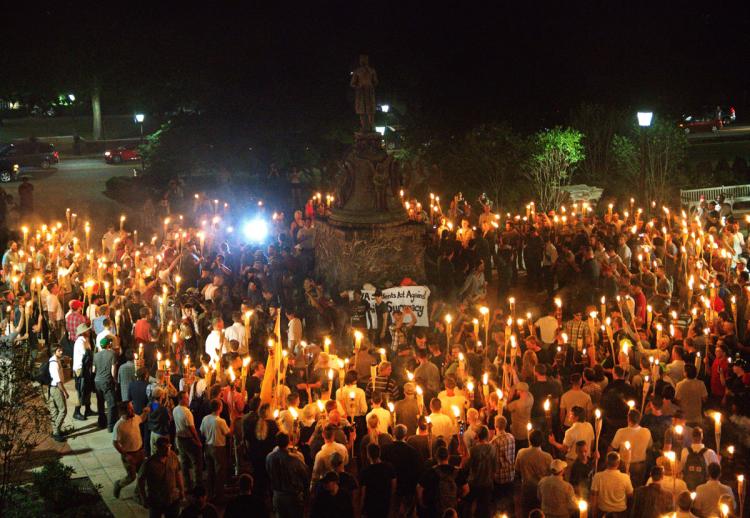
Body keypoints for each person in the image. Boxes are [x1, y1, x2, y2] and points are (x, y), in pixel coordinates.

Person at [137, 436, 185, 518]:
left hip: (173, 498)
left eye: (168, 447)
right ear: (158, 448)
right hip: (156, 500)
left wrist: (181, 490)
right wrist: (144, 498)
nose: (167, 450)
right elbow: (140, 481)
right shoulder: (149, 463)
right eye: (164, 447)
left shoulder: (173, 456)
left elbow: (178, 473)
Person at [266, 431, 310, 518]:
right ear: (289, 441)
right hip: (292, 497)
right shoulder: (294, 459)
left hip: (277, 495)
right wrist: (306, 494)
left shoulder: (269, 457)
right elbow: (305, 475)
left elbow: (268, 472)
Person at [416, 445, 468, 518]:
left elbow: (419, 487)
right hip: (452, 508)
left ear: (436, 457)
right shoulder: (457, 472)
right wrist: (458, 498)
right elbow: (466, 489)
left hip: (435, 508)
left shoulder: (431, 472)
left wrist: (421, 502)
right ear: (448, 456)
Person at [113, 400, 151, 499]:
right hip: (129, 456)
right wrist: (126, 455)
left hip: (140, 453)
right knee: (131, 477)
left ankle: (137, 494)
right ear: (123, 411)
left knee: (143, 475)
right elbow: (115, 443)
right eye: (130, 408)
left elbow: (141, 419)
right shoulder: (119, 426)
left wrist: (146, 411)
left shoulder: (135, 418)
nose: (132, 409)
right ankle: (119, 484)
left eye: (132, 407)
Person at [381, 424, 421, 516]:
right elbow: (416, 471)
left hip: (389, 487)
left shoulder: (385, 450)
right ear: (405, 436)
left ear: (394, 434)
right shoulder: (412, 452)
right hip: (407, 487)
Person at [199, 398, 232, 503]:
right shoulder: (220, 421)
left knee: (210, 472)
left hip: (207, 447)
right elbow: (228, 434)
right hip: (218, 448)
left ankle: (209, 494)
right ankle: (219, 496)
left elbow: (202, 432)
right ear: (220, 408)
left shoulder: (205, 419)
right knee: (219, 473)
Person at [515, 429, 553, 517]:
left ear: (529, 440)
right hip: (541, 491)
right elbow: (551, 474)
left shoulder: (521, 453)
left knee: (526, 512)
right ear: (542, 441)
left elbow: (517, 469)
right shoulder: (547, 457)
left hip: (526, 489)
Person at [610, 409, 652, 487]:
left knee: (622, 486)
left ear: (628, 419)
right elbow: (649, 446)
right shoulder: (647, 432)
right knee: (637, 487)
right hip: (640, 465)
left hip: (624, 464)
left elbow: (613, 447)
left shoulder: (621, 432)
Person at [173, 390, 203, 491]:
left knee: (184, 462)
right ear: (181, 399)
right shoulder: (187, 412)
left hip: (179, 438)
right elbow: (192, 429)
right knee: (196, 462)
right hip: (188, 439)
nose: (187, 400)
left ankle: (187, 485)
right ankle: (198, 485)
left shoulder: (175, 409)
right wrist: (198, 441)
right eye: (186, 398)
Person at [465, 425, 497, 518]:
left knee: (469, 505)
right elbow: (495, 467)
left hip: (474, 482)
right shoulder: (493, 448)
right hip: (487, 483)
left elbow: (467, 466)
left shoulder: (473, 450)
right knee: (485, 508)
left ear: (477, 436)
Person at [590, 452, 633, 518]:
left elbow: (594, 497)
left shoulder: (598, 476)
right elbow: (630, 495)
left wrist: (593, 514)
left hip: (603, 512)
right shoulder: (625, 477)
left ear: (606, 462)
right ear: (618, 463)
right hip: (620, 513)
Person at [359, 443, 396, 518]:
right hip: (385, 502)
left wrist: (361, 508)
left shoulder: (365, 471)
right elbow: (394, 485)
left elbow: (363, 492)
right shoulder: (389, 467)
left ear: (368, 455)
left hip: (371, 505)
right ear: (379, 453)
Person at [490, 415, 515, 514]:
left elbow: (494, 461)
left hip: (499, 477)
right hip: (510, 475)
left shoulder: (495, 441)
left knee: (499, 504)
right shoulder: (511, 437)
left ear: (496, 426)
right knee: (510, 501)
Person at [93, 336, 117, 432]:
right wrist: (114, 380)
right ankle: (110, 426)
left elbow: (94, 370)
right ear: (109, 345)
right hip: (107, 381)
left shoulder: (96, 355)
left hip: (97, 381)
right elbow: (113, 370)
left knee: (100, 403)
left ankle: (101, 423)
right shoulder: (112, 354)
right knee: (111, 404)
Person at [47, 345, 69, 442]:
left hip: (52, 388)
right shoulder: (54, 363)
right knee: (63, 410)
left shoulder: (55, 360)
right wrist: (64, 391)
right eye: (59, 351)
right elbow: (57, 380)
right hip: (56, 389)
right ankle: (56, 432)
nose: (61, 352)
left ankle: (56, 431)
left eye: (61, 350)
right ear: (54, 351)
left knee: (55, 411)